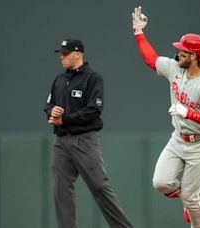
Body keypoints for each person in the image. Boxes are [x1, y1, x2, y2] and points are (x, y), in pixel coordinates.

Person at [132, 6, 200, 228]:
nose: (178, 52)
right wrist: (138, 32)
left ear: (195, 56)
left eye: (184, 51)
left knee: (191, 199)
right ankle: (185, 194)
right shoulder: (176, 68)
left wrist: (190, 113)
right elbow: (151, 60)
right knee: (161, 183)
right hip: (178, 138)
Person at [44, 38, 133, 228]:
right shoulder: (59, 79)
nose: (62, 57)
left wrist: (65, 118)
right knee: (61, 190)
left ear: (78, 54)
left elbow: (94, 110)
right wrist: (52, 112)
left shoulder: (92, 78)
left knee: (99, 186)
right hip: (61, 141)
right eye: (61, 53)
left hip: (84, 140)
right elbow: (48, 105)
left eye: (65, 53)